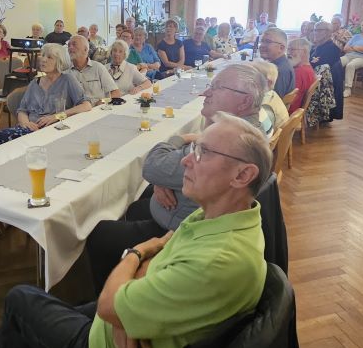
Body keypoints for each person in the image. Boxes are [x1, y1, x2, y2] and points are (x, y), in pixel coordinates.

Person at [0, 115, 271, 348]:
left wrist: (134, 255)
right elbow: (162, 249)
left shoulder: (219, 261)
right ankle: (20, 345)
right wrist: (121, 316)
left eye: (203, 153)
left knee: (20, 299)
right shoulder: (222, 215)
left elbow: (115, 297)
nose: (186, 161)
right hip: (140, 323)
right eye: (193, 149)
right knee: (27, 329)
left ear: (242, 175)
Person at [85, 63, 267, 293]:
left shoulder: (228, 144)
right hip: (183, 213)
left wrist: (180, 139)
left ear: (244, 102)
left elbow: (151, 166)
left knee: (100, 234)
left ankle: (108, 294)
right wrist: (164, 179)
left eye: (217, 87)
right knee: (136, 205)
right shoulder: (244, 132)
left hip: (177, 229)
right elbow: (160, 172)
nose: (206, 92)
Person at [0, 43, 91, 147]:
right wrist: (26, 123)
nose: (43, 60)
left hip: (54, 129)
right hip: (31, 129)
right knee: (0, 137)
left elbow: (86, 105)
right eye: (42, 56)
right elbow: (22, 110)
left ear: (60, 62)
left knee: (3, 139)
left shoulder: (67, 80)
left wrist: (56, 116)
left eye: (49, 57)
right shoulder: (34, 83)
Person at [67, 35, 121, 104]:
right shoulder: (66, 72)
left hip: (98, 110)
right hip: (77, 112)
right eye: (69, 45)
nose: (70, 47)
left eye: (74, 44)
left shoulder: (98, 67)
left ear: (85, 49)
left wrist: (102, 102)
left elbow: (116, 93)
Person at [310, 21, 344, 121]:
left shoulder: (332, 48)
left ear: (328, 32)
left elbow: (317, 66)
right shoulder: (316, 46)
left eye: (319, 30)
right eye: (314, 30)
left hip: (324, 87)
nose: (315, 33)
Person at [249, 59, 289, 133]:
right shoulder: (271, 94)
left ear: (268, 82)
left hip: (270, 141)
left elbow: (258, 136)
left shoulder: (264, 107)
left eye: (251, 78)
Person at [257, 27, 295, 97]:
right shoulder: (282, 63)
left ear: (281, 48)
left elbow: (271, 102)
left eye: (268, 42)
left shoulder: (278, 71)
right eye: (262, 41)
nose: (262, 45)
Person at [287, 37, 316, 111]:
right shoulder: (307, 67)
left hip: (290, 112)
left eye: (292, 49)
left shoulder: (299, 72)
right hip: (297, 110)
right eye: (288, 49)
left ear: (304, 51)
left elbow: (291, 100)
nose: (288, 53)